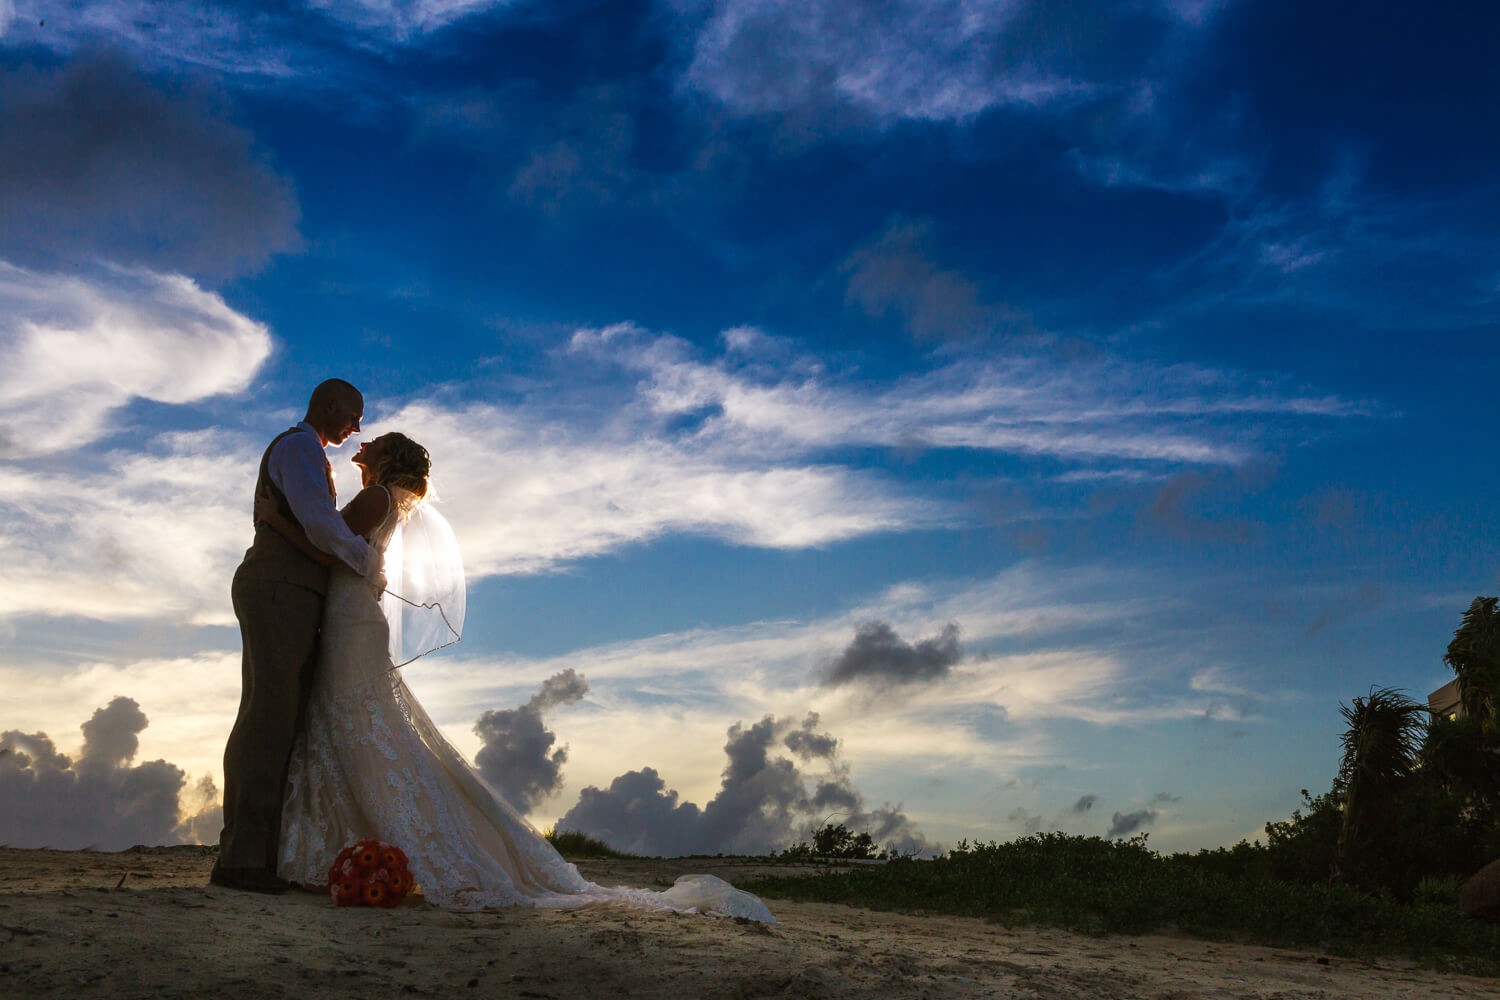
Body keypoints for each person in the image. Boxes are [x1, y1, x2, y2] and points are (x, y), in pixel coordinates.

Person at [258, 432, 772, 920]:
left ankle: (374, 843)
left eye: (374, 441)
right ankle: (355, 841)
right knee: (358, 726)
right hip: (353, 617)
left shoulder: (375, 501)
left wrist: (277, 524)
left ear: (388, 457)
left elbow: (329, 546)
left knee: (359, 725)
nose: (363, 441)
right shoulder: (387, 501)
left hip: (351, 622)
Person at [211, 379, 377, 895]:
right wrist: (362, 563)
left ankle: (258, 856)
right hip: (280, 588)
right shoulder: (299, 447)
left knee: (279, 718)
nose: (356, 427)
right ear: (328, 404)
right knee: (268, 718)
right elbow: (322, 527)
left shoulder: (311, 453)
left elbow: (315, 527)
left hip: (293, 591)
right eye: (353, 414)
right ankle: (241, 861)